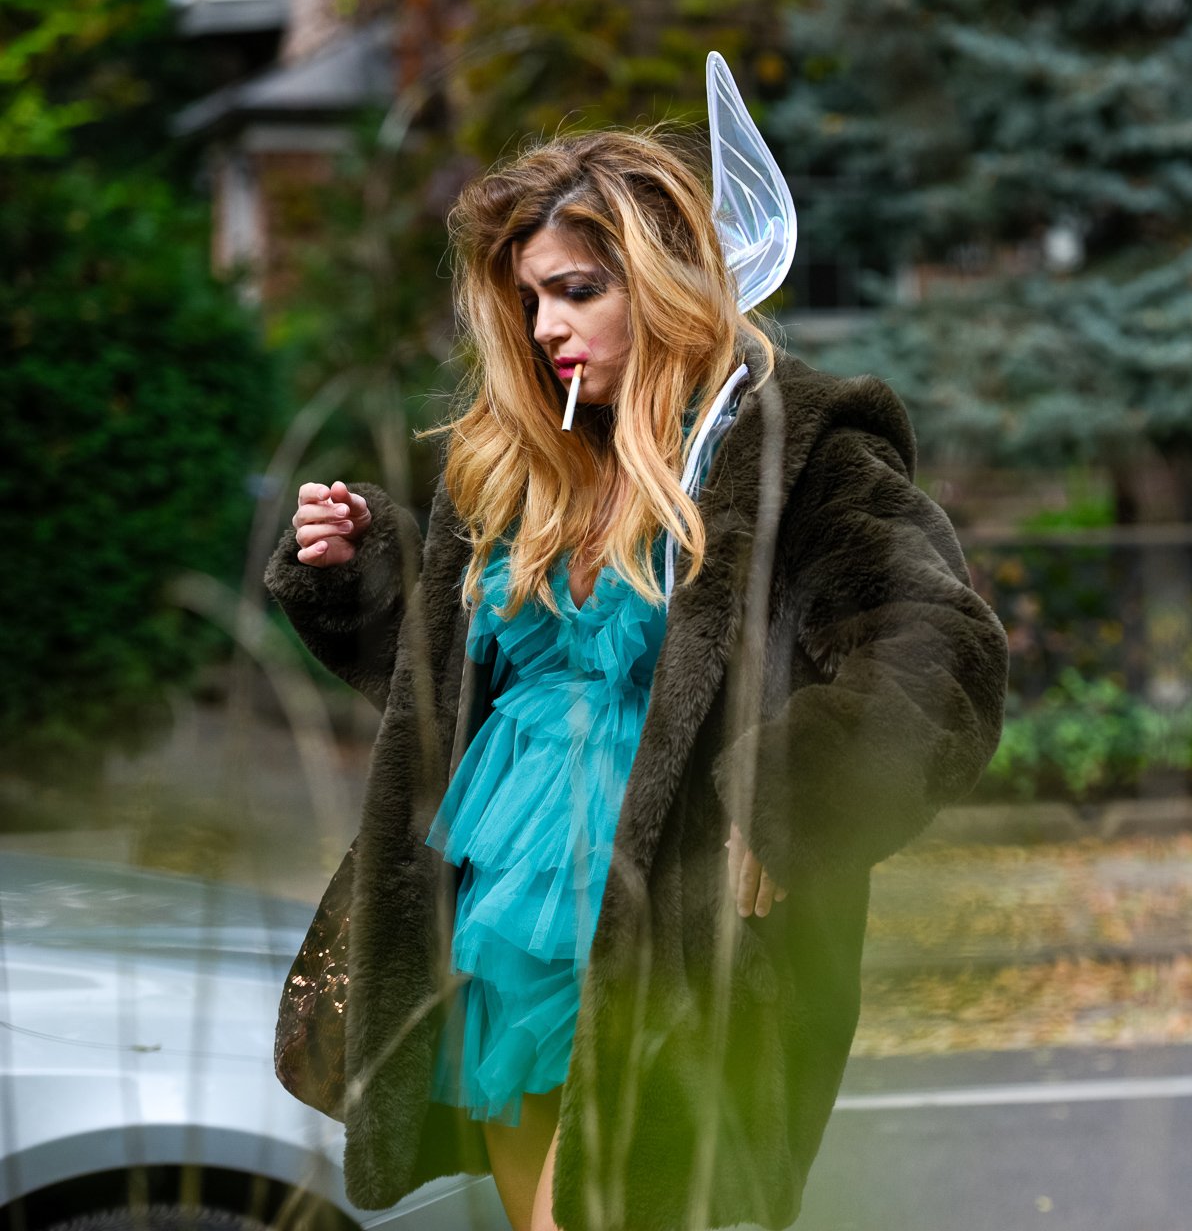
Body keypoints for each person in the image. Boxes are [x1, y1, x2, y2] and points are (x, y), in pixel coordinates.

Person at [266, 124, 1007, 1231]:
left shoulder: (791, 441)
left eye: (574, 290)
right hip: (503, 905)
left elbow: (938, 648)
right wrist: (357, 563)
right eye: (528, 300)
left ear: (661, 281)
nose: (546, 327)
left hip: (672, 914)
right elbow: (454, 684)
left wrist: (796, 795)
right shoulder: (521, 459)